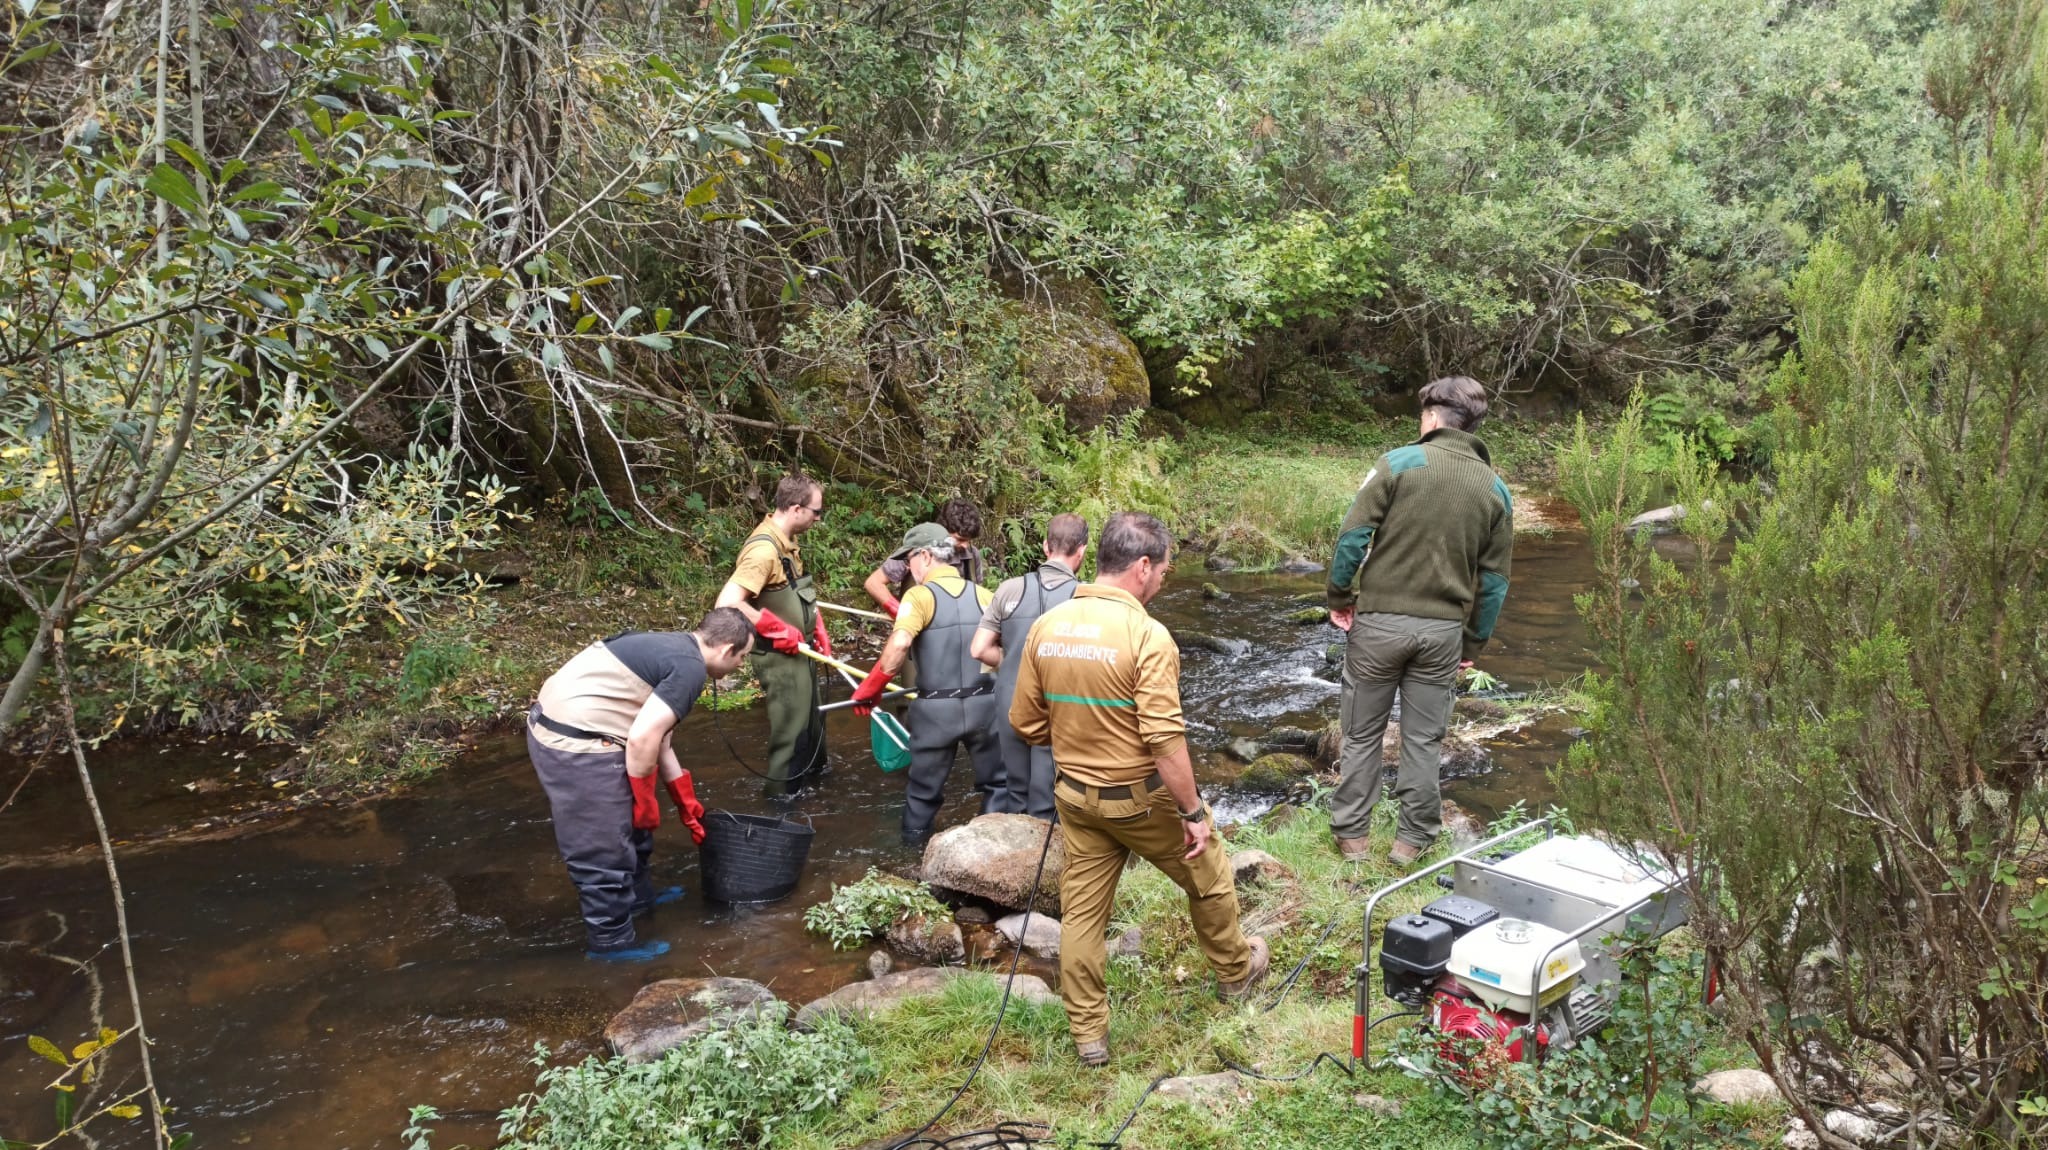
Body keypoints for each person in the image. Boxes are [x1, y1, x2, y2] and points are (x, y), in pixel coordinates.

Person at [1009, 511, 1268, 1065]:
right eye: (1165, 573)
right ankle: (1235, 972)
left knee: (1082, 915)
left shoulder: (1047, 626)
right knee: (1210, 874)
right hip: (1141, 798)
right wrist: (1193, 811)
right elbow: (1165, 741)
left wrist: (1081, 736)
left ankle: (1088, 1036)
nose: (1163, 582)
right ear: (1143, 567)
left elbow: (1026, 725)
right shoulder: (1147, 635)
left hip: (1075, 798)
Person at [1325, 376, 1513, 867]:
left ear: (1431, 417)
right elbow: (1493, 581)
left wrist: (1340, 597)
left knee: (1362, 734)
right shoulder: (1495, 488)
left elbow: (1352, 538)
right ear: (1472, 425)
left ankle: (1353, 840)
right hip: (1443, 634)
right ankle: (1410, 843)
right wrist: (1474, 640)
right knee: (1423, 739)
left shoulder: (1397, 463)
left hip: (1379, 625)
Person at [526, 608, 753, 961]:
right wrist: (645, 800)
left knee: (630, 825)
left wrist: (685, 802)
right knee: (603, 848)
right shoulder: (690, 669)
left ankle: (638, 898)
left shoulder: (674, 648)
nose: (741, 665)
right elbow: (641, 740)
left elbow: (659, 738)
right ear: (726, 650)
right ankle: (611, 946)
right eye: (742, 657)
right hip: (576, 743)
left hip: (577, 726)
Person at [848, 522, 1019, 846]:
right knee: (998, 785)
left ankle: (914, 856)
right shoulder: (985, 596)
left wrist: (872, 689)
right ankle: (990, 850)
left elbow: (899, 645)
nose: (907, 567)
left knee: (923, 793)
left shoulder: (919, 597)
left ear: (925, 556)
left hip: (936, 712)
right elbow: (1008, 650)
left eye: (909, 559)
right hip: (986, 705)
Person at [714, 473, 832, 797]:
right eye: (816, 512)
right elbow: (727, 602)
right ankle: (781, 803)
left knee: (812, 726)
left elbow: (796, 594)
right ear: (796, 508)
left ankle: (814, 791)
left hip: (802, 652)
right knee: (790, 733)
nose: (818, 518)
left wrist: (815, 624)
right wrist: (776, 628)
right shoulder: (763, 551)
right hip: (779, 657)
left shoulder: (787, 544)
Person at [971, 512, 1089, 821]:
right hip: (1059, 709)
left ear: (1045, 546)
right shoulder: (1084, 597)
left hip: (1010, 701)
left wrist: (1012, 659)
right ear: (1082, 551)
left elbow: (979, 648)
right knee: (1048, 797)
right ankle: (1047, 865)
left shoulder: (1009, 589)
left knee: (1016, 790)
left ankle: (1016, 857)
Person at [864, 497, 987, 616]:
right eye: (960, 539)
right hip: (919, 626)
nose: (966, 546)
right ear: (943, 531)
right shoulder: (916, 552)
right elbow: (873, 583)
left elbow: (977, 597)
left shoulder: (971, 555)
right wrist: (900, 614)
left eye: (969, 540)